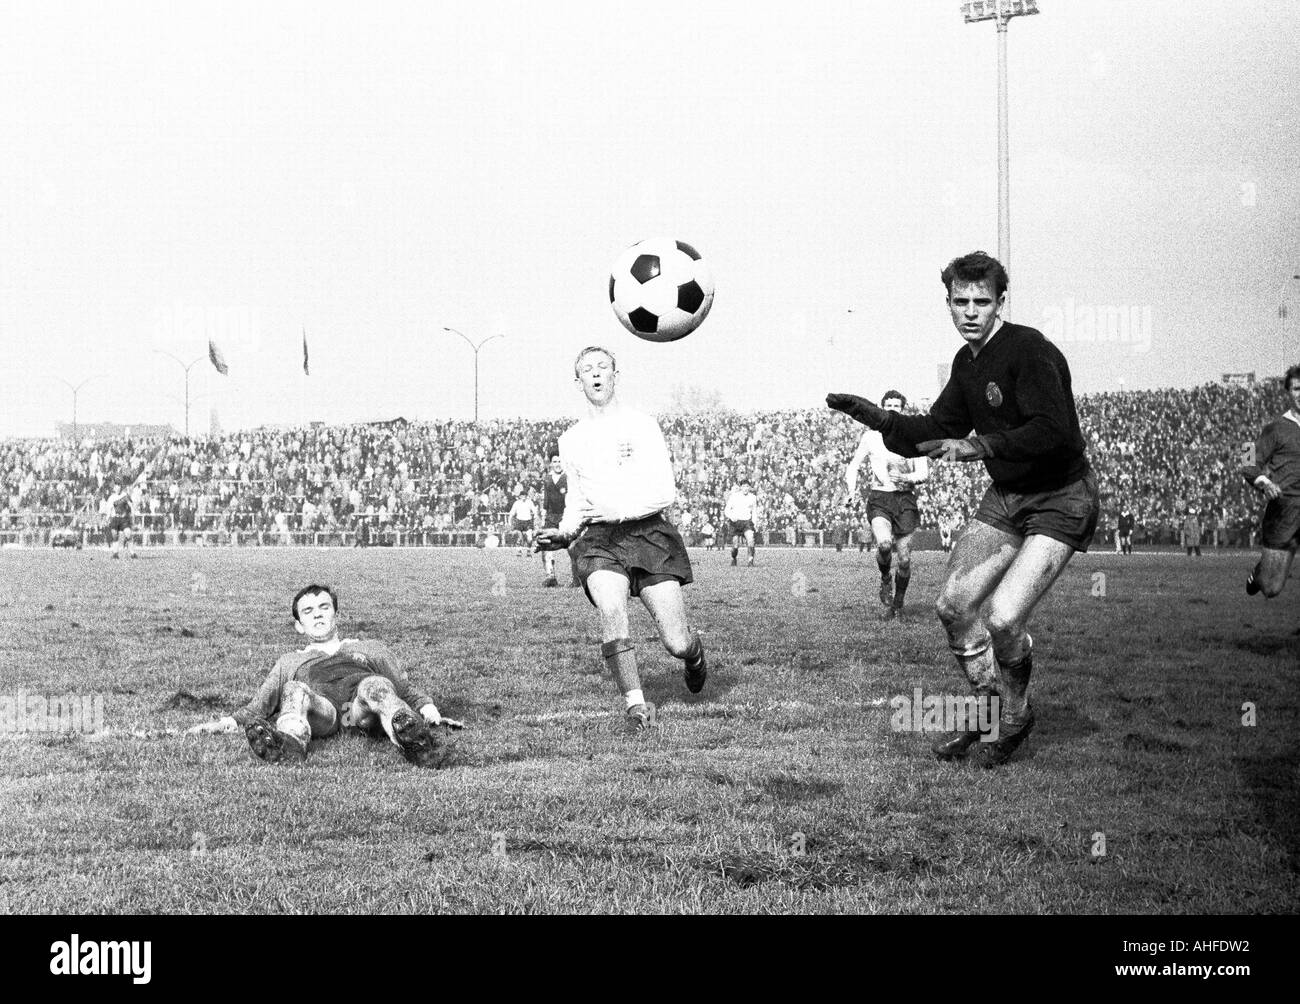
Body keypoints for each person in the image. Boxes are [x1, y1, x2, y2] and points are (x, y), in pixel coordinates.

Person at [827, 250, 1099, 766]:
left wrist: (982, 446)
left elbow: (1055, 431)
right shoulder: (966, 363)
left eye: (981, 301)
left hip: (1061, 497)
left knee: (1001, 617)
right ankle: (986, 714)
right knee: (953, 607)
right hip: (1008, 496)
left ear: (1000, 302)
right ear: (948, 303)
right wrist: (880, 421)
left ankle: (1016, 717)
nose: (970, 311)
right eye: (960, 301)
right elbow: (934, 431)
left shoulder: (1029, 350)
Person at [534, 346, 709, 733]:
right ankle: (636, 704)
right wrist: (563, 534)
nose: (595, 374)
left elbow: (665, 492)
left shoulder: (642, 425)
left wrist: (617, 507)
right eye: (586, 369)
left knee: (675, 642)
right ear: (577, 380)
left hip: (649, 534)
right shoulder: (571, 439)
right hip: (599, 540)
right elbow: (578, 501)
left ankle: (694, 655)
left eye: (603, 367)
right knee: (611, 606)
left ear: (616, 374)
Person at [186, 584, 462, 767]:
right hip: (324, 710)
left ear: (335, 614)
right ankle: (290, 744)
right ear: (298, 625)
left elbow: (405, 688)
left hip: (361, 706)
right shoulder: (289, 661)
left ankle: (416, 743)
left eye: (324, 608)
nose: (317, 615)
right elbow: (257, 708)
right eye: (308, 611)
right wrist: (221, 723)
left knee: (377, 685)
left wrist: (429, 712)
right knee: (294, 690)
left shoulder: (370, 648)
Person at [845, 390, 930, 620]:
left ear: (903, 408)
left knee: (904, 559)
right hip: (880, 497)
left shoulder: (913, 436)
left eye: (897, 405)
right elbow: (853, 465)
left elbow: (923, 472)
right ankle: (885, 579)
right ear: (882, 407)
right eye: (888, 404)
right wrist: (851, 492)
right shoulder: (871, 436)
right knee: (883, 544)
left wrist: (909, 479)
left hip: (905, 500)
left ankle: (898, 605)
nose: (893, 408)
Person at [1243, 364, 1300, 598]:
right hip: (1284, 510)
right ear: (1289, 393)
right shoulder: (1276, 428)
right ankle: (1259, 574)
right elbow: (1247, 459)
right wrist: (1265, 483)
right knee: (1271, 588)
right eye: (1297, 389)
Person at [539, 453, 578, 587]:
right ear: (551, 463)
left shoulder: (569, 477)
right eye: (555, 461)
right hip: (551, 516)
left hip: (566, 515)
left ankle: (576, 579)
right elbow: (546, 500)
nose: (557, 464)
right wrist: (544, 513)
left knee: (572, 547)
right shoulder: (548, 478)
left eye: (560, 461)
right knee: (546, 545)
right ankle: (551, 577)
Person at [724, 480, 759, 566]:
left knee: (750, 539)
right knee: (735, 545)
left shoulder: (753, 497)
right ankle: (734, 558)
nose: (745, 488)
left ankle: (750, 561)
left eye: (747, 486)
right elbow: (726, 510)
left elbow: (754, 512)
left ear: (749, 487)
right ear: (740, 487)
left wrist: (755, 523)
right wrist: (732, 516)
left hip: (747, 522)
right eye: (744, 486)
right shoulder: (734, 496)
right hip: (735, 522)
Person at [104, 481, 136, 559]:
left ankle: (132, 553)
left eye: (119, 487)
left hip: (124, 518)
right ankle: (115, 553)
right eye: (116, 487)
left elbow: (131, 506)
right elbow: (109, 509)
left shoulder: (125, 495)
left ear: (121, 487)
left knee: (128, 534)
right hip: (115, 518)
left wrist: (133, 515)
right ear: (114, 488)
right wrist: (107, 518)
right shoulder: (111, 497)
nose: (117, 488)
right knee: (115, 535)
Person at [507, 489, 538, 557]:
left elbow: (534, 510)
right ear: (520, 496)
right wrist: (509, 520)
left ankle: (528, 551)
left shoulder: (529, 502)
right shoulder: (516, 503)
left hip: (528, 521)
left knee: (529, 538)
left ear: (526, 496)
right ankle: (519, 551)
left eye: (525, 495)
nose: (523, 497)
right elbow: (512, 512)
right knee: (520, 538)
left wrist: (535, 517)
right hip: (519, 521)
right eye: (522, 496)